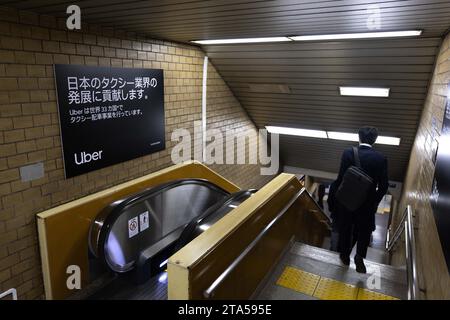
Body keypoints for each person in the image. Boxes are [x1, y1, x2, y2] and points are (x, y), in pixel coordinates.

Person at [328, 127, 389, 273]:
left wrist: (335, 199)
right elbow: (384, 185)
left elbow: (341, 178)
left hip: (347, 200)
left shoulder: (348, 152)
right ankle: (359, 256)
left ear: (359, 137)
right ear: (375, 140)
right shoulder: (381, 158)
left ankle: (344, 255)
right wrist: (374, 201)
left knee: (346, 227)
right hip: (366, 203)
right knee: (364, 229)